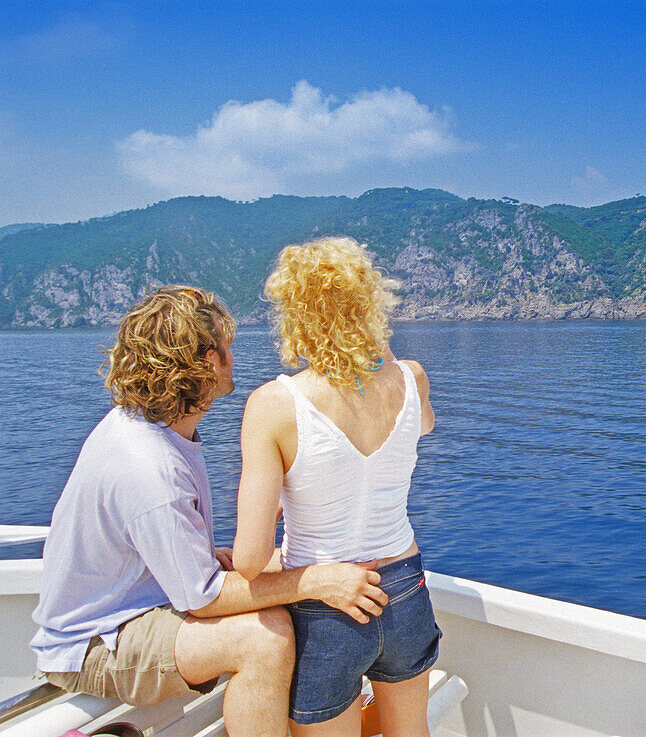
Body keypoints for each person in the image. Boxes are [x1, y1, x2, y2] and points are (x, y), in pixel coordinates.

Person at [31, 286, 390, 737]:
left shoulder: (156, 430)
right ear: (205, 362)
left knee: (298, 564)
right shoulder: (150, 467)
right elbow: (203, 600)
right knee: (265, 637)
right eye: (227, 346)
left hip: (140, 604)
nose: (234, 356)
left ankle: (326, 715)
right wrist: (318, 582)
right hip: (96, 642)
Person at [232, 237, 439, 737]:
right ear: (373, 303)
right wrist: (375, 344)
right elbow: (425, 425)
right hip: (405, 590)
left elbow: (249, 560)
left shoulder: (274, 406)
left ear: (294, 316)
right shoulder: (411, 379)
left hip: (327, 609)